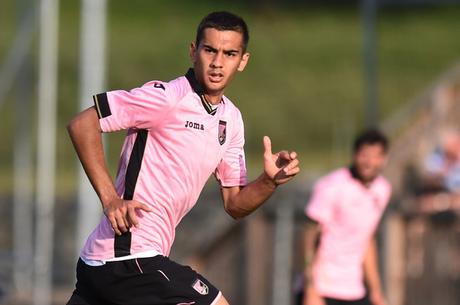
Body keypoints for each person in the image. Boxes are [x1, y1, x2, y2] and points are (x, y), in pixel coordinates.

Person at [66, 11, 300, 305]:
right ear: (193, 51)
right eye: (210, 50)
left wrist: (268, 182)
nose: (217, 62)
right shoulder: (167, 97)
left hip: (109, 262)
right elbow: (82, 123)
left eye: (229, 54)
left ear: (243, 61)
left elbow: (235, 205)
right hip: (127, 257)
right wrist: (110, 199)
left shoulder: (231, 120)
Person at [302, 129, 391, 305]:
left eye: (375, 156)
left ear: (384, 159)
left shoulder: (382, 189)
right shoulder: (332, 186)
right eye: (364, 155)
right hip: (324, 288)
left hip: (355, 289)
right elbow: (310, 236)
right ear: (355, 155)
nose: (369, 162)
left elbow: (366, 239)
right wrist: (311, 288)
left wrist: (376, 291)